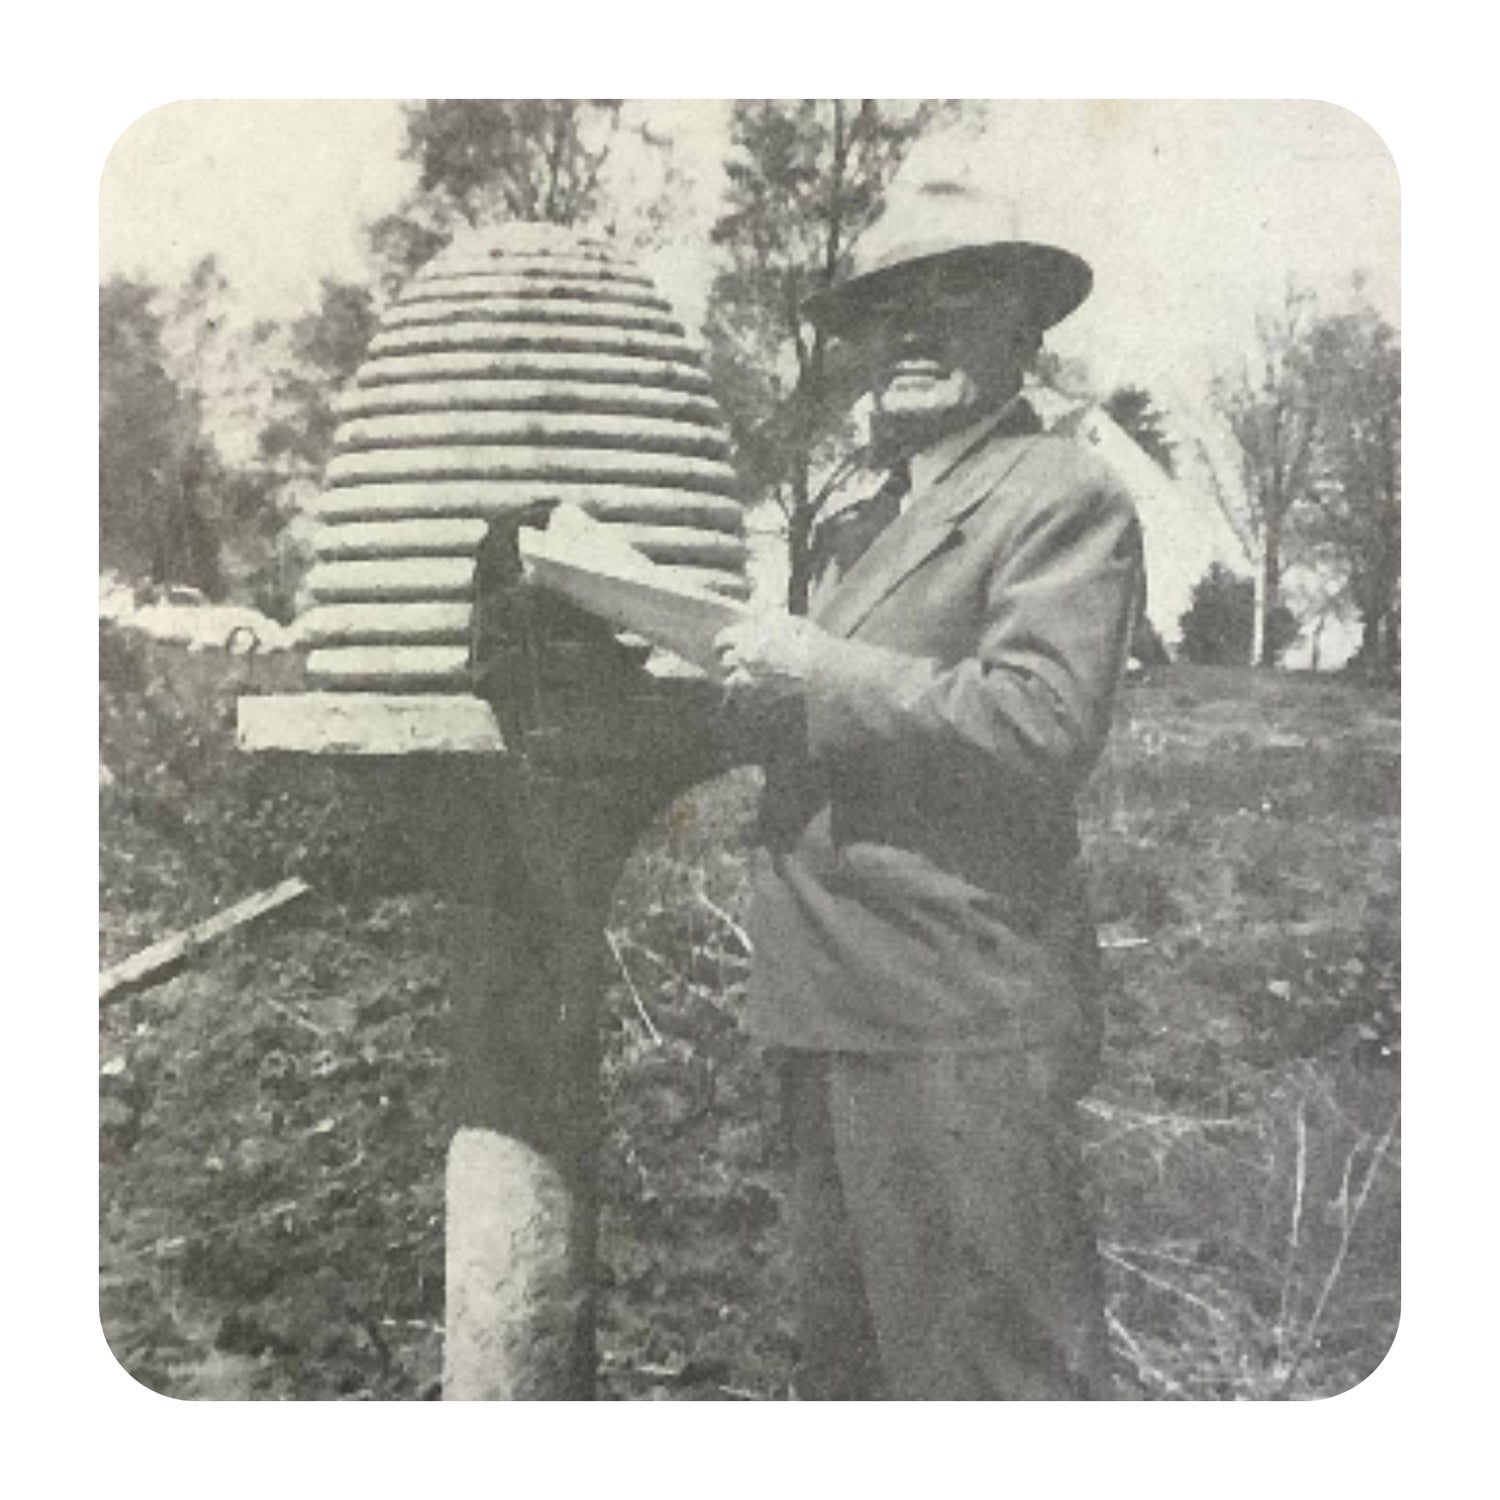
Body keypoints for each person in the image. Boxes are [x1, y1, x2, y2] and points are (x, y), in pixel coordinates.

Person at [711, 181, 1145, 1400]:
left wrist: (817, 663)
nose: (908, 333)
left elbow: (1041, 720)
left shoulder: (1060, 490)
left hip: (959, 1017)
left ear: (1025, 332)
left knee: (994, 1386)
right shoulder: (860, 524)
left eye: (952, 299)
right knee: (857, 1383)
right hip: (830, 1005)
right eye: (885, 308)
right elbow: (836, 714)